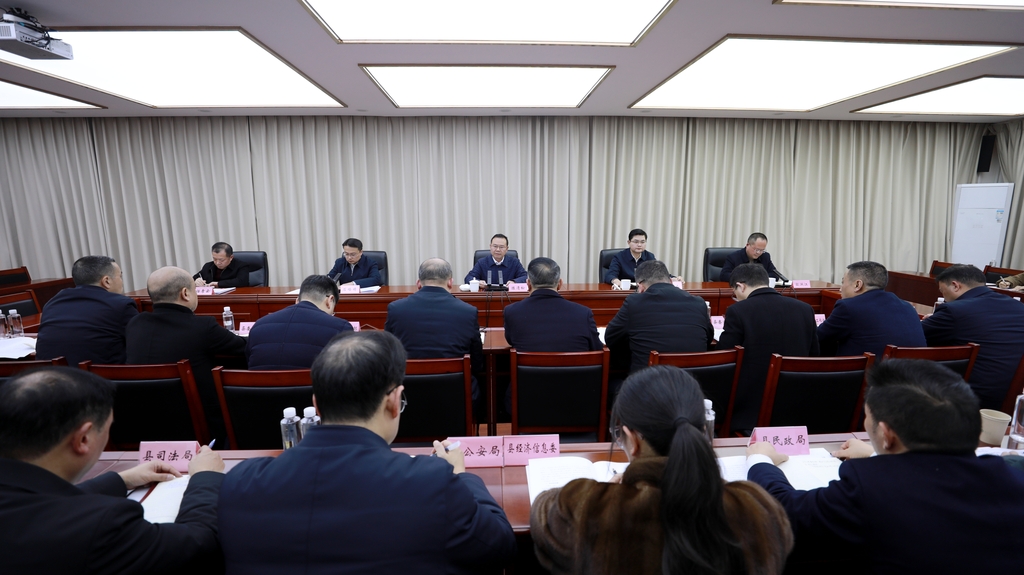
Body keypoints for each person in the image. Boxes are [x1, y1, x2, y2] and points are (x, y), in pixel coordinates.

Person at [218, 331, 517, 574]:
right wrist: (462, 476)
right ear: (394, 401)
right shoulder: (432, 482)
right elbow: (500, 546)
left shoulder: (240, 483)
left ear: (316, 405)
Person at [746, 360, 1024, 573]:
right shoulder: (1010, 476)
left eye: (867, 418)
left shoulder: (868, 491)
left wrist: (761, 459)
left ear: (887, 435)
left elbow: (783, 511)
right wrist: (875, 454)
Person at [531, 366, 793, 575]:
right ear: (703, 431)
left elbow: (543, 510)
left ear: (632, 440)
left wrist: (606, 492)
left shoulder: (585, 509)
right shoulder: (755, 510)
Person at [0, 367, 225, 575]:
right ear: (83, 439)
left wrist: (121, 480)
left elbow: (43, 504)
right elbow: (200, 544)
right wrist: (206, 477)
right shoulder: (101, 526)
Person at [126, 266, 247, 440]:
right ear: (185, 293)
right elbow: (242, 347)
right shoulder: (203, 327)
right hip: (198, 424)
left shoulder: (135, 324)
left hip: (143, 423)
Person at [718, 264, 818, 433]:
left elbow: (725, 357)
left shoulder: (738, 311)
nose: (735, 297)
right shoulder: (805, 309)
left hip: (750, 410)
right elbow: (814, 355)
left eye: (734, 292)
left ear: (741, 286)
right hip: (795, 405)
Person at [921, 263, 1024, 409]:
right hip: (1012, 400)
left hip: (968, 399)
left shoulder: (953, 310)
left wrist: (934, 321)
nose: (944, 298)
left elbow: (914, 336)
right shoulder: (1019, 307)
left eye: (943, 292)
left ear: (955, 286)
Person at [385, 258, 484, 404]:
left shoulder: (396, 309)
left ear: (418, 283)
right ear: (450, 282)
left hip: (408, 395)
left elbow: (389, 353)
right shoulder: (468, 311)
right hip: (456, 396)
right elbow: (477, 363)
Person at [605, 260, 713, 374]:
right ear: (670, 281)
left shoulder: (634, 302)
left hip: (648, 380)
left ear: (640, 287)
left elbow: (611, 338)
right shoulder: (698, 303)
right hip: (692, 380)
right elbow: (708, 338)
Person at [35, 255, 139, 366]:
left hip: (47, 375)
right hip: (98, 376)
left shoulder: (52, 303)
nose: (122, 281)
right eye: (120, 276)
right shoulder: (121, 305)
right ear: (106, 281)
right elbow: (141, 344)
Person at [816, 261, 925, 357]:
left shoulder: (849, 307)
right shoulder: (907, 307)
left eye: (843, 282)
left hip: (875, 373)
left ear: (858, 285)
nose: (840, 288)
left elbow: (818, 337)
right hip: (918, 371)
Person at [246, 274, 354, 370]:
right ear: (329, 301)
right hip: (314, 386)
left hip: (261, 387)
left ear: (297, 300)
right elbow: (347, 369)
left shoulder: (259, 325)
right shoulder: (340, 327)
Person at [504, 257, 603, 353]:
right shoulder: (583, 313)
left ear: (528, 284)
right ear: (560, 284)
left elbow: (511, 341)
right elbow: (597, 348)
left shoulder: (512, 312)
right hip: (573, 365)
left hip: (528, 365)